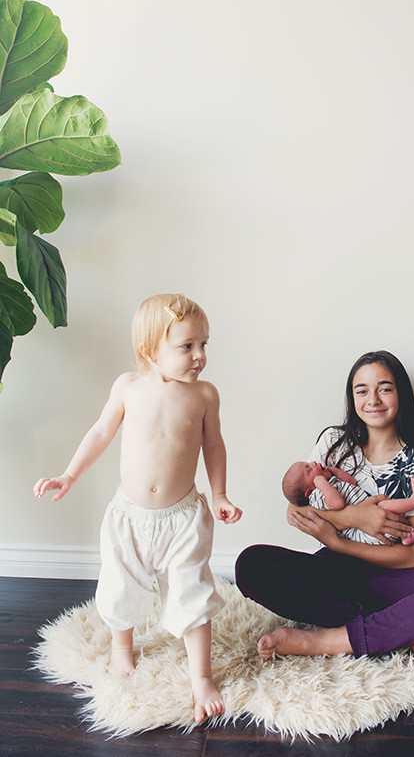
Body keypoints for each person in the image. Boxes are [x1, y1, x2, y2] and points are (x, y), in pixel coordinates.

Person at [33, 293, 242, 724]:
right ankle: (121, 649)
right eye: (187, 346)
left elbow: (214, 446)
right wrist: (69, 475)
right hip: (129, 516)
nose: (200, 356)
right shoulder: (127, 386)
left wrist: (219, 494)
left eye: (204, 344)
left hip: (183, 518)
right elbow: (100, 432)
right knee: (119, 585)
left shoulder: (204, 395)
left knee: (192, 593)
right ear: (151, 349)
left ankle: (201, 677)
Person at [236, 351, 414, 668]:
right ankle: (404, 630)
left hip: (393, 581)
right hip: (334, 575)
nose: (373, 399)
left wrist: (339, 540)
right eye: (362, 390)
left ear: (400, 394)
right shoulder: (332, 443)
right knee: (251, 564)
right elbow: (296, 512)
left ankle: (329, 640)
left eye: (385, 388)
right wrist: (353, 517)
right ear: (352, 397)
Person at [282, 460, 414, 545]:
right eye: (309, 469)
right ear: (308, 491)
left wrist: (334, 472)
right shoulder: (317, 497)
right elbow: (337, 503)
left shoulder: (329, 484)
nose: (313, 462)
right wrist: (321, 484)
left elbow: (351, 482)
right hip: (366, 533)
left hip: (375, 518)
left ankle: (407, 536)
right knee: (385, 506)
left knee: (387, 506)